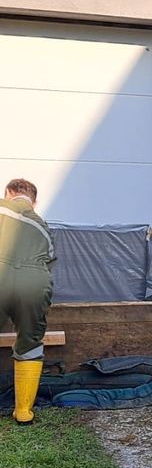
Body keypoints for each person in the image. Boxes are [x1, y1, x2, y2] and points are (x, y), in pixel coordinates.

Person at [0, 179, 54, 425]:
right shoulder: (43, 226)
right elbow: (50, 260)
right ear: (34, 202)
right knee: (30, 341)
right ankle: (23, 412)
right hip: (34, 282)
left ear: (8, 193)